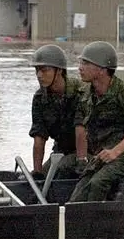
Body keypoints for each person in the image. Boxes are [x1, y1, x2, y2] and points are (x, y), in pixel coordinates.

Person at [69, 41, 124, 203]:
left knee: (99, 182)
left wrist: (115, 152)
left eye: (85, 63)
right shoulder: (87, 95)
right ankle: (74, 223)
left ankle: (94, 224)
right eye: (80, 62)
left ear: (101, 69)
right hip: (105, 156)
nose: (80, 67)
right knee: (80, 190)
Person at [28, 44, 89, 180]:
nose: (39, 75)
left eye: (44, 70)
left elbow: (81, 130)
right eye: (37, 70)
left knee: (62, 168)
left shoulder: (81, 92)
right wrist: (37, 172)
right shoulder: (40, 98)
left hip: (88, 151)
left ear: (59, 71)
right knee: (42, 178)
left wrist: (81, 161)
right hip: (62, 151)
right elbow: (39, 136)